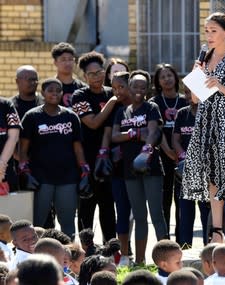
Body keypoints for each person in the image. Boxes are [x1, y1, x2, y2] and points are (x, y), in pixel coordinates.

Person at [181, 12, 225, 250]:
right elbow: (195, 98)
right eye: (206, 30)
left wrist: (221, 86)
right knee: (212, 178)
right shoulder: (205, 57)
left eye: (213, 30)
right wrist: (196, 76)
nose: (209, 35)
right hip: (206, 123)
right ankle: (217, 231)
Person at [111, 70, 169, 264]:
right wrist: (136, 133)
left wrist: (146, 148)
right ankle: (140, 261)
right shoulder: (121, 111)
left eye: (143, 87)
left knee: (156, 214)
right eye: (135, 86)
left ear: (148, 89)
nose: (138, 90)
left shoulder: (151, 107)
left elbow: (153, 132)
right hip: (129, 169)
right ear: (129, 87)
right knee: (139, 216)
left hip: (151, 167)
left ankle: (167, 259)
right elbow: (115, 136)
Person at [19, 78, 87, 238]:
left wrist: (85, 173)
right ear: (42, 93)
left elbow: (78, 149)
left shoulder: (71, 117)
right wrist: (25, 173)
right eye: (50, 90)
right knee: (36, 225)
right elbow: (22, 149)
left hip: (68, 178)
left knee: (68, 226)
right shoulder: (32, 116)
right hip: (40, 178)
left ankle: (69, 260)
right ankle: (34, 259)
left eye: (58, 90)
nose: (55, 93)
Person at [71, 51, 117, 243]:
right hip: (87, 159)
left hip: (110, 158)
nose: (97, 77)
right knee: (86, 207)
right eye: (91, 74)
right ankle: (85, 250)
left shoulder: (111, 91)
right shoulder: (79, 95)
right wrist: (113, 102)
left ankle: (111, 249)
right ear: (84, 76)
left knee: (108, 207)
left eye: (99, 72)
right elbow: (93, 123)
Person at [149, 63, 186, 242]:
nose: (167, 79)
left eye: (170, 75)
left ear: (176, 77)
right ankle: (164, 241)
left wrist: (178, 153)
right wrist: (168, 150)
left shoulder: (185, 100)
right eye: (162, 77)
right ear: (158, 82)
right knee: (164, 199)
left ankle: (181, 241)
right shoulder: (154, 103)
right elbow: (156, 129)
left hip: (183, 156)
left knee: (182, 200)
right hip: (162, 155)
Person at [173, 86, 209, 248]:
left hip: (206, 171)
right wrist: (183, 157)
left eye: (191, 91)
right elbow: (175, 140)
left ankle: (209, 249)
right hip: (186, 170)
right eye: (186, 92)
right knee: (185, 214)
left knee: (206, 213)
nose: (188, 95)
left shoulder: (211, 113)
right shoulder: (182, 113)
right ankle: (185, 249)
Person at [104, 71, 133, 265]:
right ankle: (123, 255)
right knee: (122, 210)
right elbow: (108, 135)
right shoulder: (114, 108)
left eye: (121, 87)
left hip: (142, 169)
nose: (117, 92)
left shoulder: (146, 107)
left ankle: (142, 254)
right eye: (114, 88)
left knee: (140, 213)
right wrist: (103, 154)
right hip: (118, 168)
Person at [51, 42, 87, 108]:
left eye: (70, 59)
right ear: (55, 62)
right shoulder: (50, 87)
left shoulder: (82, 88)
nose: (67, 63)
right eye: (63, 59)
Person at [0, 97, 20, 192]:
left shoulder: (7, 105)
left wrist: (1, 164)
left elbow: (14, 137)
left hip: (6, 173)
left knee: (8, 206)